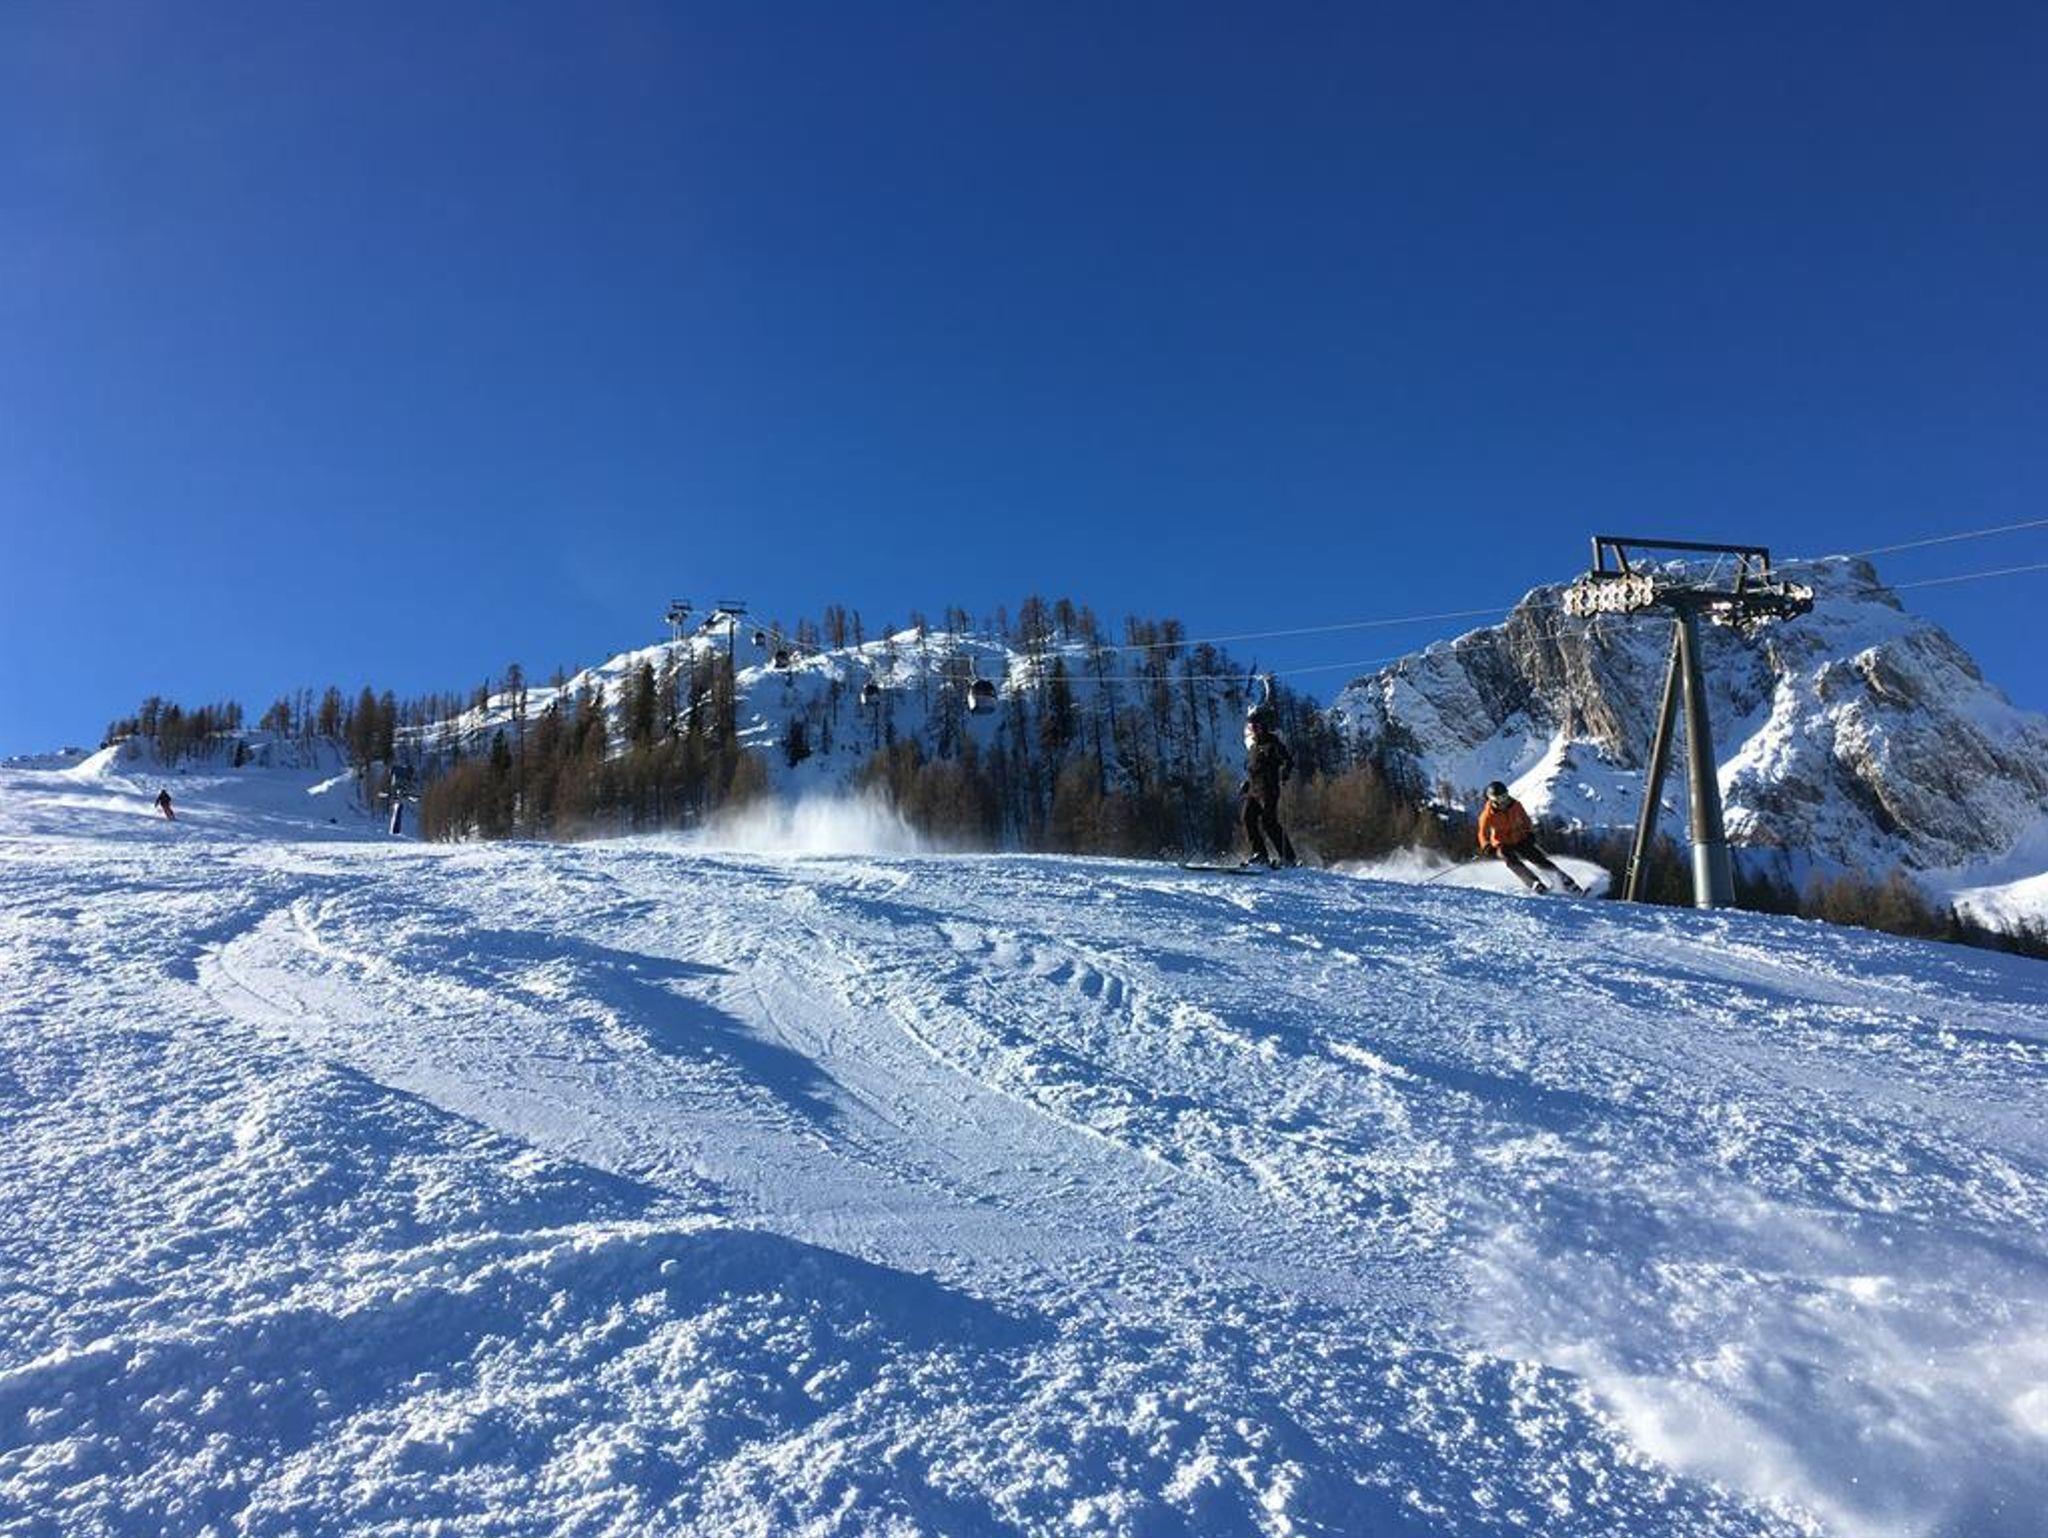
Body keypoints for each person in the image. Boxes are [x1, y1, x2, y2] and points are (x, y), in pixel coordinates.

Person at [1476, 781, 1580, 893]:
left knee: (1537, 857)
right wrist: (1486, 845)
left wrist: (1529, 833)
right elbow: (1482, 833)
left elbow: (1525, 820)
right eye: (1500, 799)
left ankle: (1565, 881)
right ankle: (1534, 882)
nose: (1504, 801)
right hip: (1502, 843)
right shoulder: (1487, 815)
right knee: (1510, 860)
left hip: (1519, 838)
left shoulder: (1515, 805)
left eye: (1505, 796)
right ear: (1493, 800)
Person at [1240, 709, 1298, 867]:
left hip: (1268, 788)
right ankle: (1260, 855)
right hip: (1253, 790)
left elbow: (1287, 760)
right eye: (1251, 727)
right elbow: (1253, 769)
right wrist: (1246, 784)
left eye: (1256, 726)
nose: (1254, 730)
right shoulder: (1253, 747)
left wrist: (1284, 771)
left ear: (1264, 726)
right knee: (1247, 818)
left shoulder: (1273, 743)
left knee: (1268, 821)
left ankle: (1288, 857)